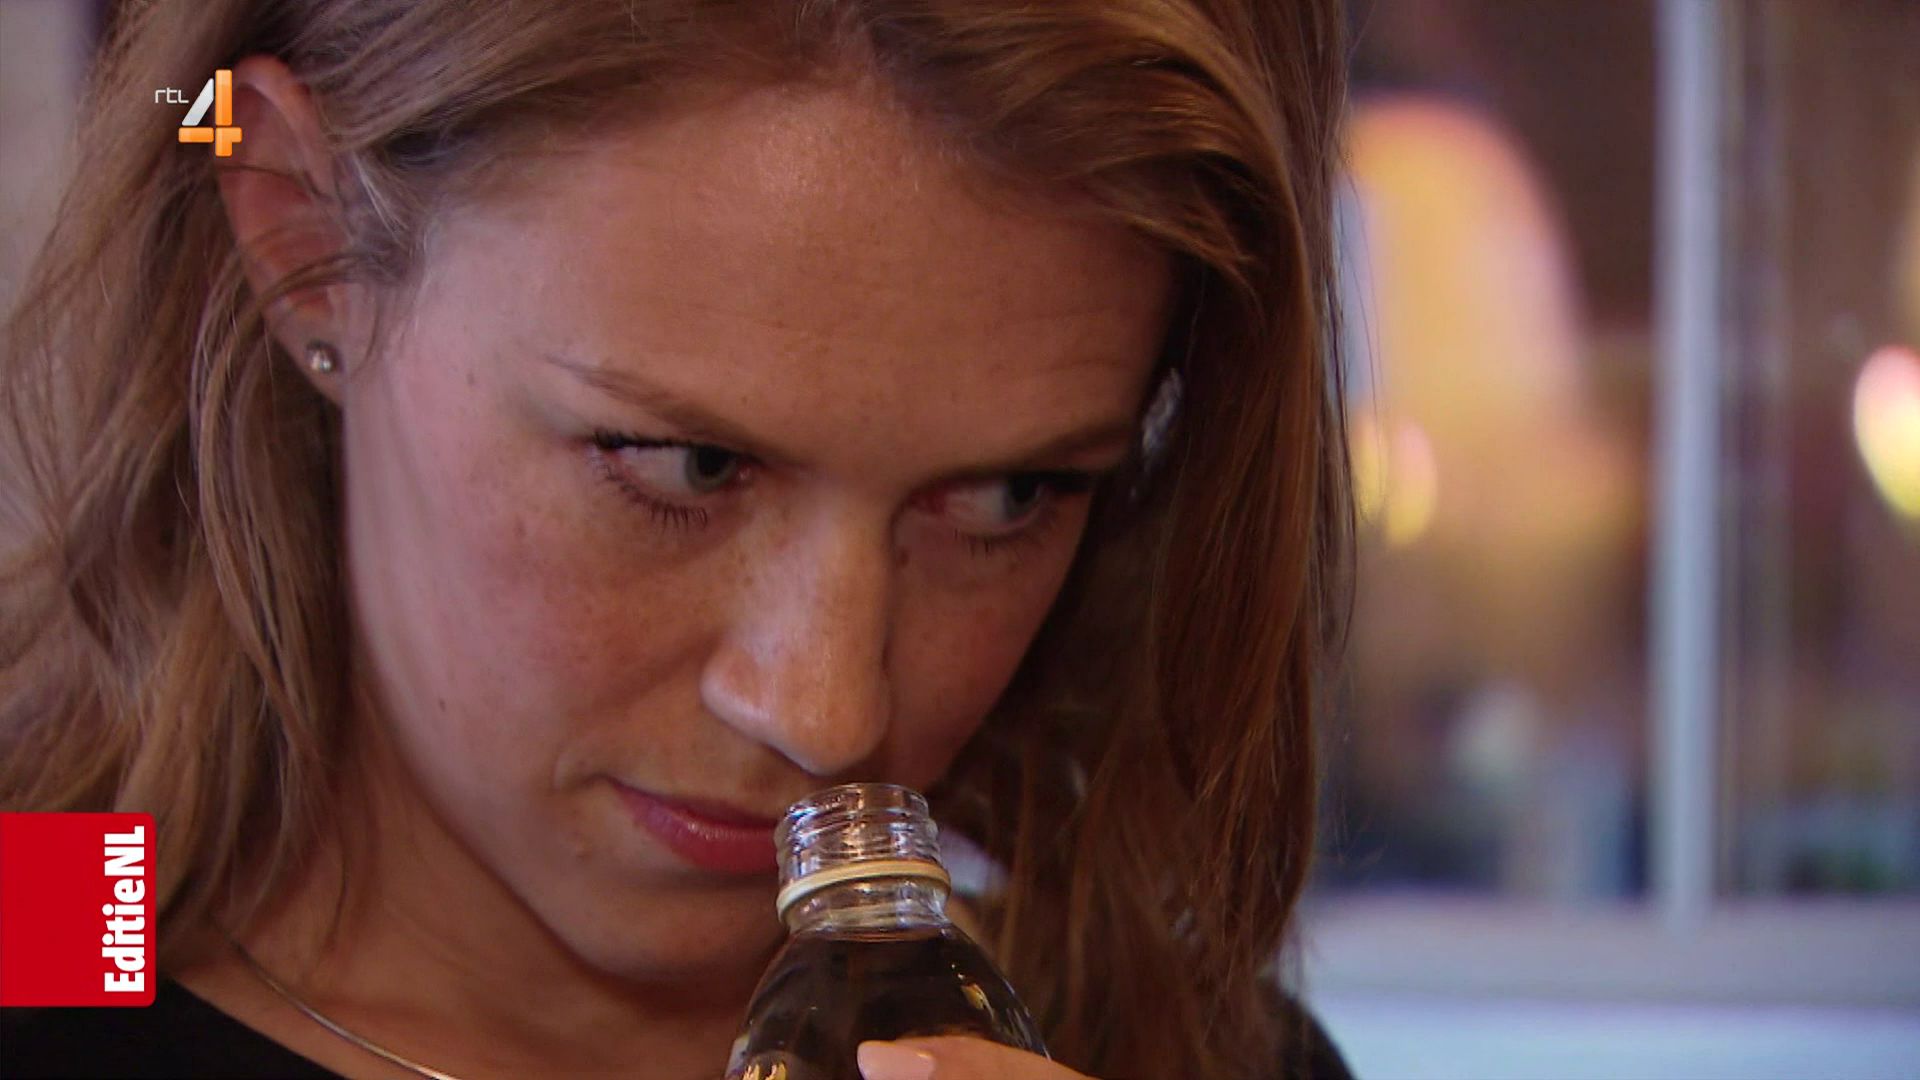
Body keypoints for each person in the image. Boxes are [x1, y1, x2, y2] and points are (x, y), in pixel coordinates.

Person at [0, 1, 1355, 1078]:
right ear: (305, 237)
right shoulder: (50, 951)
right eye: (683, 466)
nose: (826, 711)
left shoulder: (1173, 1049)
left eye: (1010, 497)